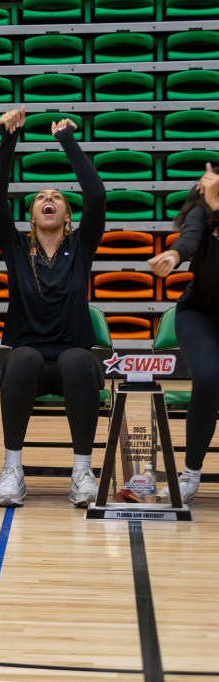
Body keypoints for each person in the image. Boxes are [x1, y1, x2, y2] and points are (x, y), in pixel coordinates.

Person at [0, 106, 106, 507]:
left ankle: (82, 472)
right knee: (20, 359)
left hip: (73, 358)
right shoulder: (16, 247)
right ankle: (12, 471)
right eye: (41, 197)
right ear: (32, 216)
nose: (49, 199)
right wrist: (9, 138)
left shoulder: (81, 245)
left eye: (57, 196)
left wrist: (66, 140)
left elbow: (96, 195)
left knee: (78, 360)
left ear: (67, 215)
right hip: (30, 362)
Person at [148, 163, 219, 505]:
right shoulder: (201, 213)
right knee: (208, 378)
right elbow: (189, 238)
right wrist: (174, 254)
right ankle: (190, 474)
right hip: (199, 312)